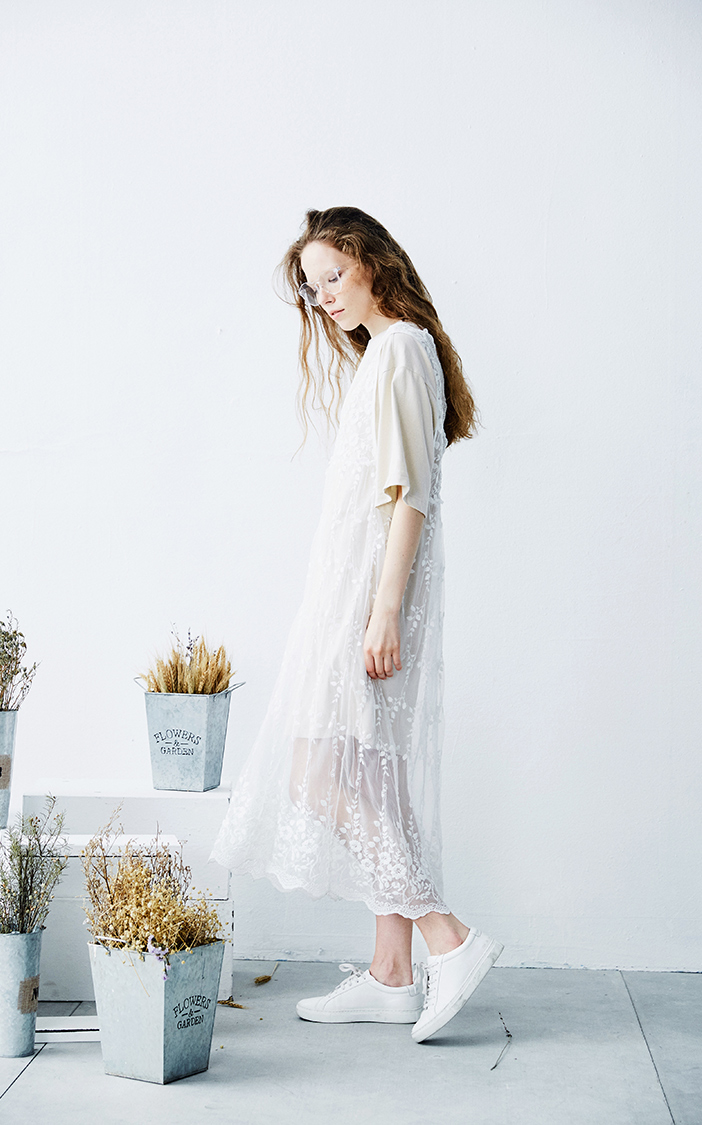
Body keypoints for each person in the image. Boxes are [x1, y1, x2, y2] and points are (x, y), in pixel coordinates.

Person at [212, 206, 502, 1042]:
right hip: (357, 593)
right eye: (314, 288)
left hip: (369, 600)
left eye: (333, 275)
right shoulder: (389, 353)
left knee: (317, 768)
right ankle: (392, 972)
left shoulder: (402, 348)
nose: (326, 296)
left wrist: (382, 612)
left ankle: (447, 936)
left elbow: (410, 496)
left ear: (374, 261)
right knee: (370, 775)